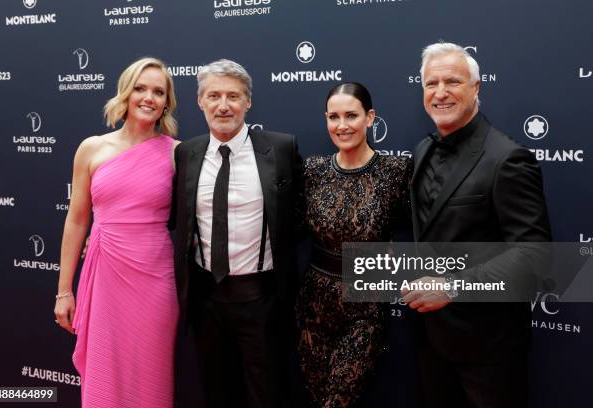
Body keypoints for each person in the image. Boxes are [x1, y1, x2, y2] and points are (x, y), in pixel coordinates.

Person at [403, 42, 552, 407]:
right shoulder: (422, 150)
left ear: (477, 87)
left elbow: (534, 256)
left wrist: (452, 286)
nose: (440, 93)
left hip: (489, 349)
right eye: (430, 83)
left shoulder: (508, 158)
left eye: (452, 81)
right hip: (431, 340)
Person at [171, 59, 303, 408]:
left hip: (261, 298)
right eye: (213, 95)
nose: (223, 105)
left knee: (266, 394)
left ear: (249, 102)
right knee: (216, 393)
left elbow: (301, 217)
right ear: (200, 101)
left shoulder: (282, 149)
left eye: (233, 96)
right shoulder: (186, 153)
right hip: (205, 299)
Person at [54, 57, 180, 408]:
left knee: (151, 373)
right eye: (141, 88)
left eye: (158, 91)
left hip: (155, 277)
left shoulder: (176, 153)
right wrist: (64, 291)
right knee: (105, 372)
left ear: (166, 101)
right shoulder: (92, 148)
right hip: (105, 275)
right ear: (125, 93)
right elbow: (77, 220)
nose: (149, 97)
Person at [295, 82, 411, 407]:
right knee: (318, 399)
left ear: (370, 117)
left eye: (351, 115)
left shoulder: (395, 172)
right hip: (312, 307)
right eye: (334, 117)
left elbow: (419, 228)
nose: (342, 125)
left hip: (365, 308)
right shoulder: (312, 170)